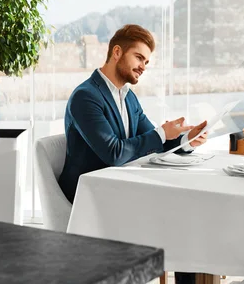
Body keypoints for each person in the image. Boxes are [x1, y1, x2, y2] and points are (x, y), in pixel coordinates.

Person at [58, 24, 207, 284]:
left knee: (187, 214)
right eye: (139, 58)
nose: (143, 67)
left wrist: (186, 140)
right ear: (117, 52)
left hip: (120, 187)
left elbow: (154, 142)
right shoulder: (86, 96)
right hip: (90, 193)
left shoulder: (128, 97)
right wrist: (162, 133)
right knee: (179, 215)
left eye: (147, 62)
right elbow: (114, 153)